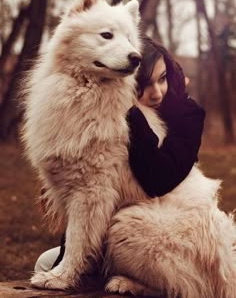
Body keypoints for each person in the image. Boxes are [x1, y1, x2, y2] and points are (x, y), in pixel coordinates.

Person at [34, 36, 205, 272]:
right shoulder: (105, 109)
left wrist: (130, 111)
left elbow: (160, 178)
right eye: (143, 85)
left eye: (162, 79)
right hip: (110, 224)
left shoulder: (186, 114)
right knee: (44, 263)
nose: (156, 93)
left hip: (161, 225)